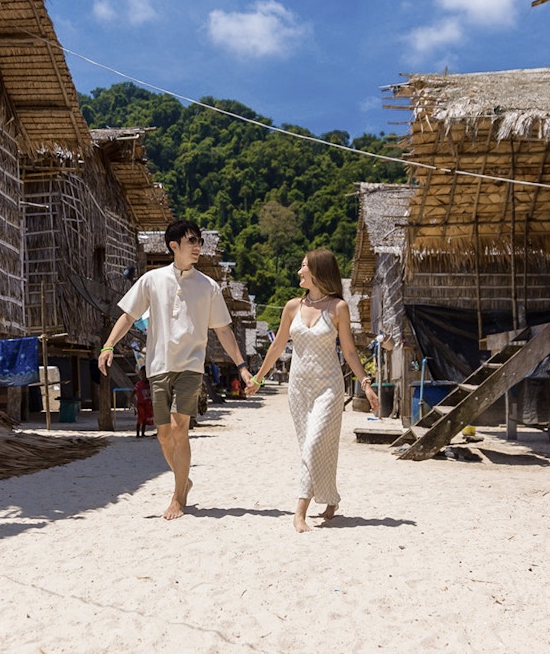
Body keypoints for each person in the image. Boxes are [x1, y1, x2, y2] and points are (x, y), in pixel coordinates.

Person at [98, 220, 254, 520]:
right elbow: (129, 316)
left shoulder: (208, 286)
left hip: (190, 367)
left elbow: (223, 331)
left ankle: (178, 496)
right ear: (174, 246)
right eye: (192, 241)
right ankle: (184, 479)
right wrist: (107, 346)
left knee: (180, 428)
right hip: (158, 366)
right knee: (163, 435)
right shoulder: (151, 280)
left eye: (200, 242)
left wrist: (243, 367)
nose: (198, 247)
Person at [245, 249, 379, 533]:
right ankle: (331, 499)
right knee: (317, 447)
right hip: (299, 389)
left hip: (329, 387)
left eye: (303, 266)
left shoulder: (338, 308)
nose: (299, 272)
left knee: (314, 444)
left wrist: (366, 384)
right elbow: (277, 345)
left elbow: (350, 352)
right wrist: (258, 379)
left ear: (318, 271)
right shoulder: (292, 306)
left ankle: (299, 512)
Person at [132, 369, 153, 438]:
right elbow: (133, 392)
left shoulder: (150, 384)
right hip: (141, 404)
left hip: (148, 404)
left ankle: (143, 433)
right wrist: (131, 401)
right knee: (140, 417)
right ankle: (138, 433)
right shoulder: (139, 384)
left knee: (145, 419)